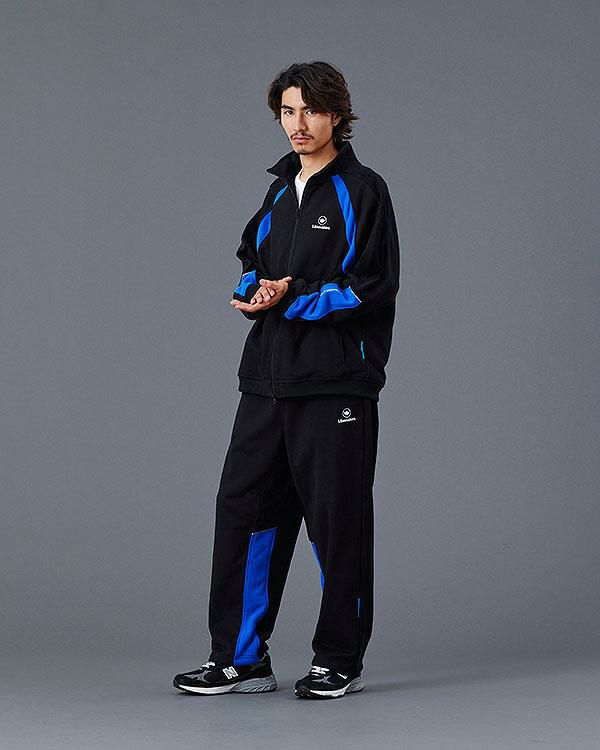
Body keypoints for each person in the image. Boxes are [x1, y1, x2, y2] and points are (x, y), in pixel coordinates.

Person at [173, 60, 401, 699]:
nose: (298, 124)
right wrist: (255, 291)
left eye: (311, 111)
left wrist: (291, 296)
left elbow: (372, 285)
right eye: (287, 112)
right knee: (243, 511)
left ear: (337, 115)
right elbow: (253, 257)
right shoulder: (278, 191)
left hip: (335, 382)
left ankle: (339, 659)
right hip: (266, 378)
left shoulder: (363, 190)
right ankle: (240, 658)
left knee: (336, 521)